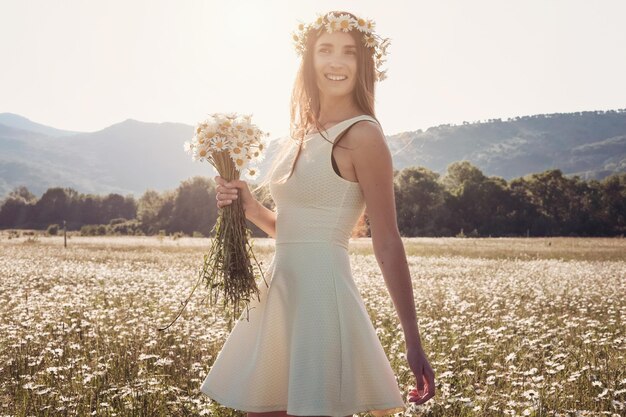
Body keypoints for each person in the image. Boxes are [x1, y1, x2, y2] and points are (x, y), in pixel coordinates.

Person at [201, 10, 435, 417]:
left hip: (322, 299)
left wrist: (413, 340)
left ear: (363, 63)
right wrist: (248, 207)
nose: (336, 62)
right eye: (325, 50)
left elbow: (387, 241)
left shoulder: (363, 135)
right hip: (282, 292)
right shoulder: (301, 133)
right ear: (309, 59)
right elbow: (292, 231)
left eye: (349, 52)